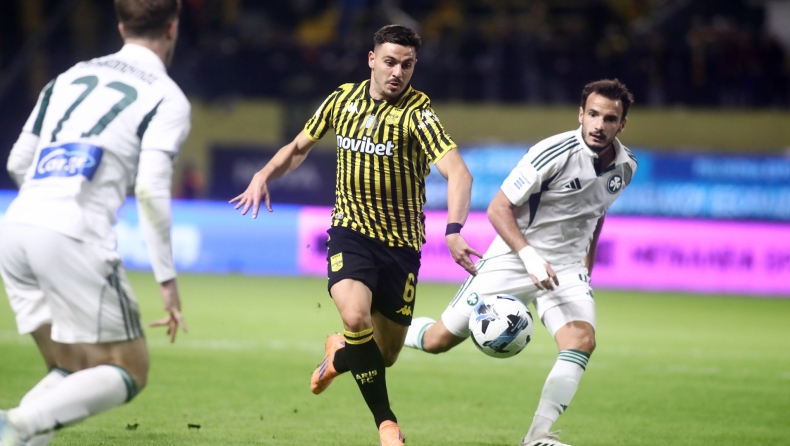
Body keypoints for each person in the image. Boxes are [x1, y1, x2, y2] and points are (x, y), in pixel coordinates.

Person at [231, 24, 480, 446]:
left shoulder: (418, 114)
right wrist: (264, 174)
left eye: (407, 65)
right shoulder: (341, 100)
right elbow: (299, 147)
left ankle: (339, 355)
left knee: (384, 355)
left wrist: (453, 230)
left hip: (401, 246)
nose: (398, 72)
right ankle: (387, 425)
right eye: (390, 62)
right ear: (371, 60)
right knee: (354, 317)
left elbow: (459, 173)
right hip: (351, 232)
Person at [404, 79, 638, 446]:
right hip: (514, 257)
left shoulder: (626, 166)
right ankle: (379, 334)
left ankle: (536, 438)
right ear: (580, 114)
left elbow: (597, 212)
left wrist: (585, 269)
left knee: (581, 341)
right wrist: (529, 257)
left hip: (566, 269)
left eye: (609, 119)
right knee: (437, 340)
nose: (599, 125)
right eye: (593, 115)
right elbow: (498, 209)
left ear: (621, 124)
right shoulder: (551, 153)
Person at [0, 0, 189, 444]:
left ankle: (15, 432)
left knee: (72, 366)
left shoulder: (67, 77)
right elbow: (150, 189)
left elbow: (17, 161)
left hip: (16, 226)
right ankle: (13, 424)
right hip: (72, 233)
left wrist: (48, 202)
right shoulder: (168, 97)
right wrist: (166, 281)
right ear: (172, 28)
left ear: (121, 27)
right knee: (129, 367)